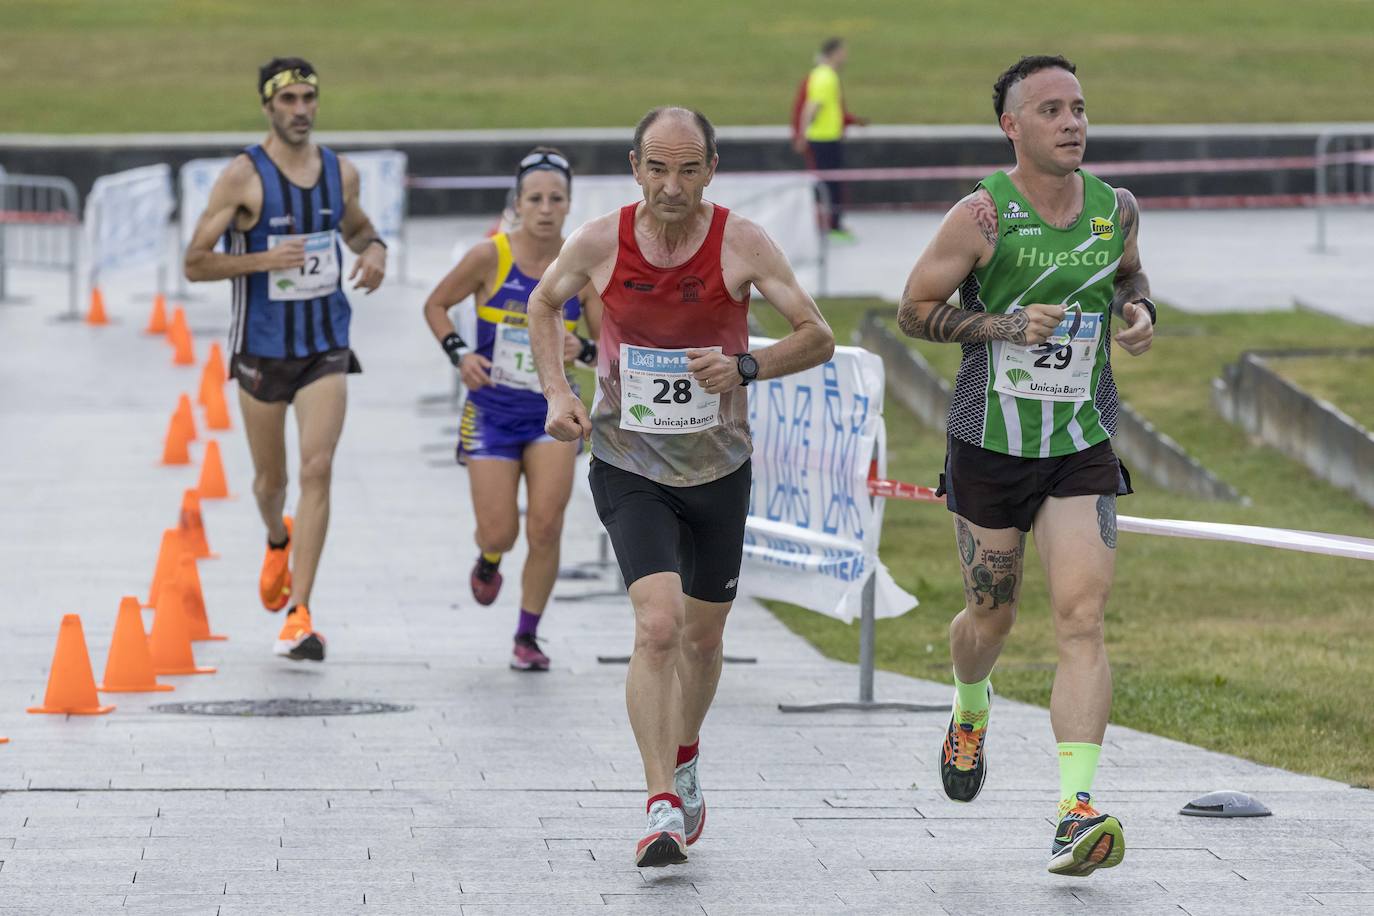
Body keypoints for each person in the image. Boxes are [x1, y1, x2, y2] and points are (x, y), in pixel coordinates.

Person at [527, 107, 834, 868]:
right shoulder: (601, 240)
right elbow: (542, 301)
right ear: (635, 166)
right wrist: (556, 393)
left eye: (688, 169)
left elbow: (817, 334)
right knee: (657, 626)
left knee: (703, 637)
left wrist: (748, 367)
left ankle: (687, 751)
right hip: (628, 464)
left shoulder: (742, 242)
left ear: (711, 168)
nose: (672, 185)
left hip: (719, 470)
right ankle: (659, 799)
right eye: (657, 168)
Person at [896, 55, 1156, 877]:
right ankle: (970, 705)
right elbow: (913, 311)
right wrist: (1003, 327)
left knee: (1081, 619)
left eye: (1078, 107)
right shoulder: (982, 217)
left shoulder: (1115, 208)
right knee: (991, 620)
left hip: (1080, 440)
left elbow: (1128, 277)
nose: (1072, 122)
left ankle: (1074, 812)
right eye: (1050, 110)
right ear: (1013, 127)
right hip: (990, 445)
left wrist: (1140, 309)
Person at [184, 57, 387, 662]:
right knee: (271, 483)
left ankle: (299, 614)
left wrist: (375, 251)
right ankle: (277, 535)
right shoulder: (242, 177)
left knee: (318, 468)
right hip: (261, 351)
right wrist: (260, 261)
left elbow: (361, 230)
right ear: (268, 106)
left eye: (309, 98)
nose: (301, 109)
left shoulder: (340, 173)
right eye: (289, 99)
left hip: (325, 345)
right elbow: (194, 262)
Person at [421, 147, 602, 671]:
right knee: (500, 529)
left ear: (569, 205)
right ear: (517, 203)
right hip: (492, 415)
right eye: (535, 199)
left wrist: (584, 351)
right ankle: (491, 556)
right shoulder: (490, 257)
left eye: (556, 199)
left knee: (546, 526)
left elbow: (609, 337)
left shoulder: (582, 264)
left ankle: (527, 635)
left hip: (553, 414)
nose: (545, 209)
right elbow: (435, 304)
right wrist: (460, 355)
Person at [792, 37, 867, 240]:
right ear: (834, 53)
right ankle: (832, 225)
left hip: (828, 137)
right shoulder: (825, 77)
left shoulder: (824, 75)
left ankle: (832, 223)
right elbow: (812, 106)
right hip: (823, 139)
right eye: (843, 52)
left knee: (830, 182)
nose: (846, 57)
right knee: (829, 183)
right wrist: (802, 133)